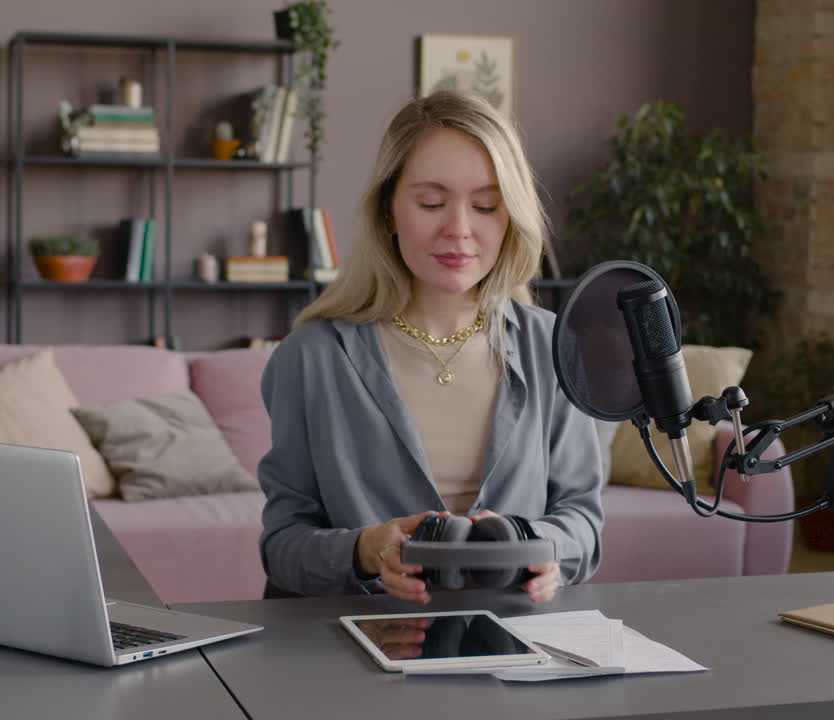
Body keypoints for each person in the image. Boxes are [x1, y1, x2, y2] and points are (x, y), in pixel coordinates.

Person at [257, 90, 603, 605]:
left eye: (486, 205)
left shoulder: (553, 346)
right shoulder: (311, 357)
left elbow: (582, 519)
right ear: (388, 211)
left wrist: (546, 547)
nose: (459, 230)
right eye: (431, 203)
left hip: (514, 648)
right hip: (361, 650)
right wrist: (363, 550)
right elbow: (282, 547)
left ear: (511, 217)